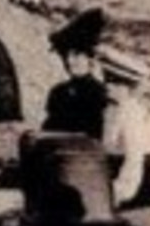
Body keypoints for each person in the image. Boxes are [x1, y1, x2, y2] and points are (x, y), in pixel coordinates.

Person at [99, 49, 150, 210]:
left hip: (139, 185)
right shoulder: (112, 109)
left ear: (127, 87)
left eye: (114, 82)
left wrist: (119, 193)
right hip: (119, 172)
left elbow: (134, 160)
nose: (107, 85)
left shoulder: (131, 113)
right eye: (106, 79)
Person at [41, 8, 110, 140]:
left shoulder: (99, 95)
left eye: (77, 55)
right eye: (67, 55)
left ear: (90, 58)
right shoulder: (58, 93)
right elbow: (47, 133)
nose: (70, 61)